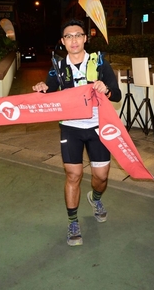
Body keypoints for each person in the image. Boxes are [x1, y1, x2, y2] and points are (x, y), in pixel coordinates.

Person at [32, 19, 121, 247]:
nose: (74, 40)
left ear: (85, 38)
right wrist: (42, 88)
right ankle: (73, 222)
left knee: (101, 177)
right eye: (68, 36)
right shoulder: (58, 66)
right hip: (70, 127)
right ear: (63, 41)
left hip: (97, 126)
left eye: (78, 35)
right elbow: (50, 89)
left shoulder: (99, 62)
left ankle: (96, 198)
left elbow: (117, 93)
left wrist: (106, 89)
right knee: (73, 175)